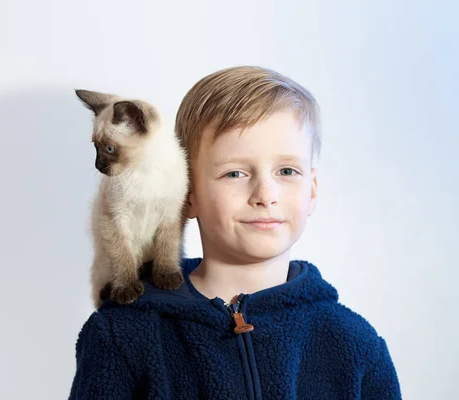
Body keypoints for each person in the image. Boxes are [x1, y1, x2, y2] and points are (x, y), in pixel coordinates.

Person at [68, 66, 402, 399]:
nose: (265, 193)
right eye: (235, 173)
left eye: (287, 170)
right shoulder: (120, 335)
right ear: (188, 193)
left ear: (312, 190)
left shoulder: (356, 344)